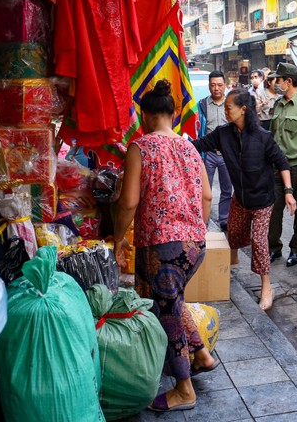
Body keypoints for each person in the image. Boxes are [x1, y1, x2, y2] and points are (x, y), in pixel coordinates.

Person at [113, 80, 217, 413]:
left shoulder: (139, 147)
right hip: (193, 244)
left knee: (168, 312)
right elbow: (207, 196)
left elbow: (128, 202)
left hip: (161, 246)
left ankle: (184, 389)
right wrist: (195, 229)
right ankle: (201, 354)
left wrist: (118, 237)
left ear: (144, 115)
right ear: (173, 114)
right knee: (172, 301)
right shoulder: (190, 147)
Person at [192, 89, 296, 310]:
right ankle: (229, 262)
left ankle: (267, 287)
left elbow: (282, 163)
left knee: (259, 242)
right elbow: (197, 145)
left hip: (262, 200)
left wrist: (288, 191)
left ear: (243, 109)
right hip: (240, 199)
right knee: (234, 231)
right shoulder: (223, 134)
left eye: (229, 108)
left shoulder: (263, 137)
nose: (225, 111)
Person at [267, 63, 297, 267]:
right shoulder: (278, 105)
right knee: (274, 210)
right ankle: (274, 248)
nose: (276, 83)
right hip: (276, 167)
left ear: (288, 82)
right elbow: (272, 136)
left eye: (279, 80)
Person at [196, 71, 233, 230]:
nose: (216, 88)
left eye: (219, 85)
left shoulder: (232, 103)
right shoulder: (202, 104)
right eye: (213, 85)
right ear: (209, 86)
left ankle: (224, 219)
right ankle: (202, 220)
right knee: (204, 188)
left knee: (227, 188)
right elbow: (198, 128)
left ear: (225, 85)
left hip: (226, 153)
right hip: (208, 153)